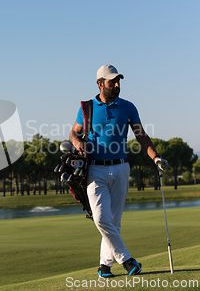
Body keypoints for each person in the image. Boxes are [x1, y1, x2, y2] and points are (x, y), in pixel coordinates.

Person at [69, 64, 168, 278]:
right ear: (100, 84)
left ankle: (104, 267)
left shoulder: (128, 107)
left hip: (121, 168)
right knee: (101, 219)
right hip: (95, 170)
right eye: (112, 81)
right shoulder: (87, 108)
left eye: (118, 81)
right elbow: (73, 133)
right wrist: (77, 143)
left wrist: (155, 157)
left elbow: (141, 136)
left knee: (114, 221)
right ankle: (127, 260)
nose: (117, 85)